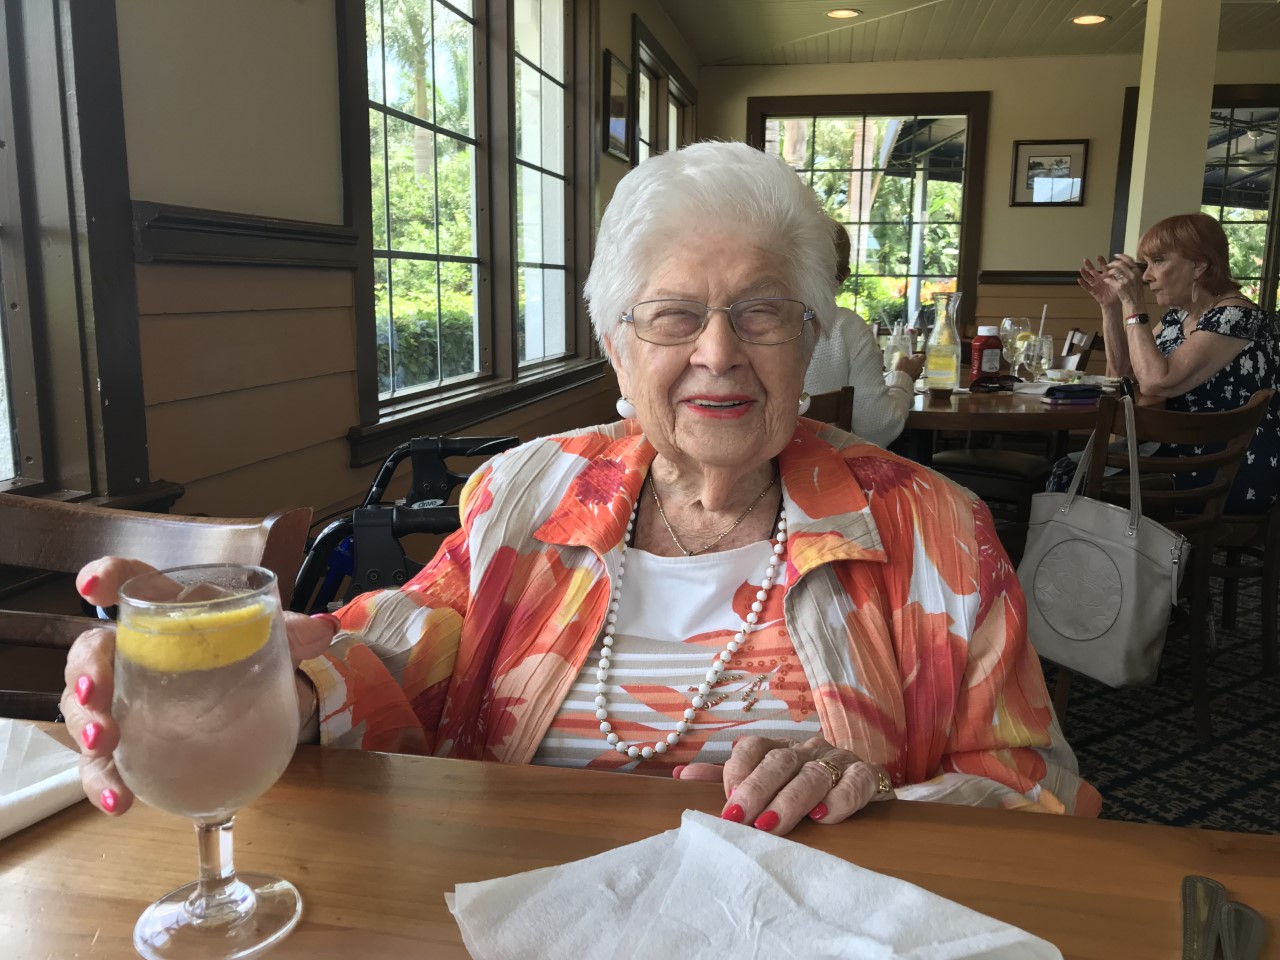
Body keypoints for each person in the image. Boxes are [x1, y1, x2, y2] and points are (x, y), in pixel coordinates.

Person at [61, 142, 1099, 838]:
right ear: (615, 348)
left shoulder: (935, 529)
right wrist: (257, 686)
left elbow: (1039, 788)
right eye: (673, 316)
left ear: (811, 338)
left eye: (761, 312)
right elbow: (405, 650)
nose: (718, 353)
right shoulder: (527, 494)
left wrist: (880, 798)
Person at [1050, 212, 1280, 513]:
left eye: (1157, 261)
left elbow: (1156, 382)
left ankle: (1097, 545)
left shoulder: (1236, 317)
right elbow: (1124, 374)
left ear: (1199, 265)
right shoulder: (1178, 317)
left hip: (1225, 467)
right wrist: (1111, 307)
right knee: (1068, 471)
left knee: (1073, 478)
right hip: (1176, 451)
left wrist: (1133, 304)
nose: (1146, 276)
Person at [803, 219, 924, 447]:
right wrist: (902, 378)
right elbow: (877, 430)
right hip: (828, 467)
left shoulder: (748, 322)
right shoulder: (847, 327)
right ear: (844, 276)